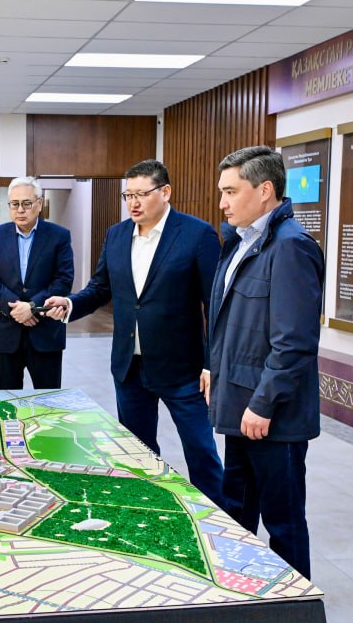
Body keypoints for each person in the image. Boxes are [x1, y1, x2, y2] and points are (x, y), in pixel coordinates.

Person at [45, 159, 224, 502]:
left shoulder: (197, 235)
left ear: (165, 192)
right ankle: (151, 508)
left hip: (182, 369)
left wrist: (211, 363)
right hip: (130, 367)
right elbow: (100, 287)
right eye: (128, 195)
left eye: (142, 194)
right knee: (138, 453)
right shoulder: (117, 234)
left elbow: (215, 305)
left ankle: (217, 518)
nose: (133, 203)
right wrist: (70, 304)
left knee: (201, 452)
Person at [208, 146, 324, 579]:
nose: (223, 203)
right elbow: (234, 323)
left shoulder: (291, 247)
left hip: (271, 416)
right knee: (237, 512)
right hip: (241, 407)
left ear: (265, 191)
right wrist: (213, 368)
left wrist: (263, 403)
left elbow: (294, 342)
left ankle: (295, 608)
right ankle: (245, 597)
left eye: (231, 191)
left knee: (283, 522)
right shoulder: (241, 243)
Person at [0, 177, 73, 389]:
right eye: (14, 204)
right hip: (6, 331)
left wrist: (32, 307)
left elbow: (63, 279)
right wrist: (17, 308)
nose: (20, 210)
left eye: (27, 203)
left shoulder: (59, 236)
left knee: (47, 400)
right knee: (6, 400)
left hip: (45, 331)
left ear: (39, 204)